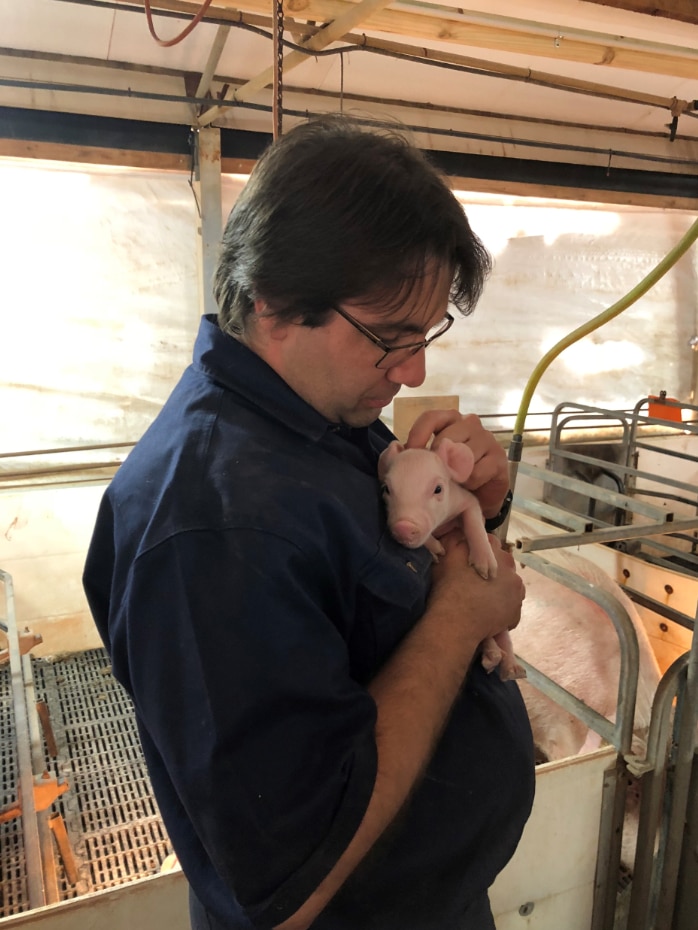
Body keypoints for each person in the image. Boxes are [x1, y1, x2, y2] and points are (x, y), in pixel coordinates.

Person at [83, 114, 535, 930]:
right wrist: (459, 619)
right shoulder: (211, 524)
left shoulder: (327, 421)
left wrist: (479, 509)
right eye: (389, 340)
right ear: (276, 300)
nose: (417, 371)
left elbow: (397, 588)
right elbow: (290, 882)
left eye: (427, 334)